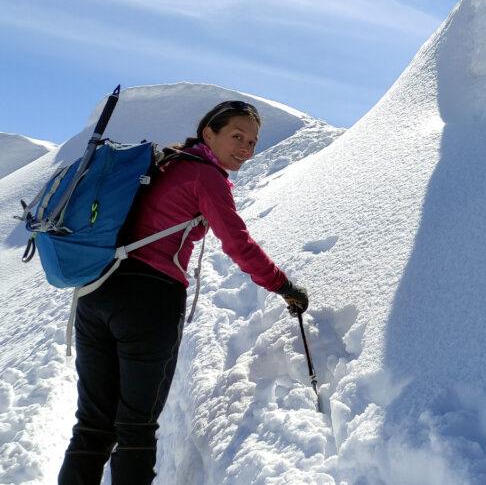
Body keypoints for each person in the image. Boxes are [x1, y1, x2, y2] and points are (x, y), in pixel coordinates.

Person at [57, 100, 309, 485]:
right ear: (209, 132)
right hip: (149, 301)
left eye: (253, 142)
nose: (245, 148)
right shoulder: (205, 176)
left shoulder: (166, 162)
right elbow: (238, 244)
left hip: (97, 290)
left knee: (93, 424)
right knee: (135, 428)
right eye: (237, 136)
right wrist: (283, 285)